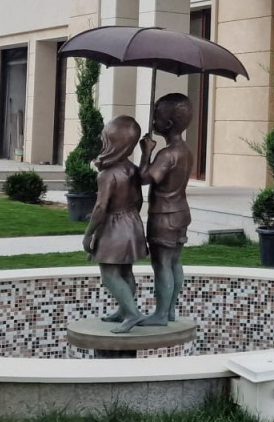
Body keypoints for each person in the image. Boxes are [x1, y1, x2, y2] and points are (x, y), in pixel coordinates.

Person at [82, 115, 149, 333]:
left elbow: (101, 207)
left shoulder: (107, 174)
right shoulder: (132, 170)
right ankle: (123, 310)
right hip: (132, 222)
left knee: (110, 274)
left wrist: (89, 233)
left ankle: (132, 313)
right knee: (126, 270)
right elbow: (138, 200)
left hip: (115, 226)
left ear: (112, 143)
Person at [138, 93, 194, 326]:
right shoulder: (186, 151)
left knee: (162, 264)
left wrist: (146, 153)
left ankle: (161, 314)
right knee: (175, 262)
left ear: (168, 124)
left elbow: (144, 178)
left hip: (164, 216)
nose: (153, 121)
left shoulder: (167, 154)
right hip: (181, 212)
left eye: (156, 117)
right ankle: (169, 310)